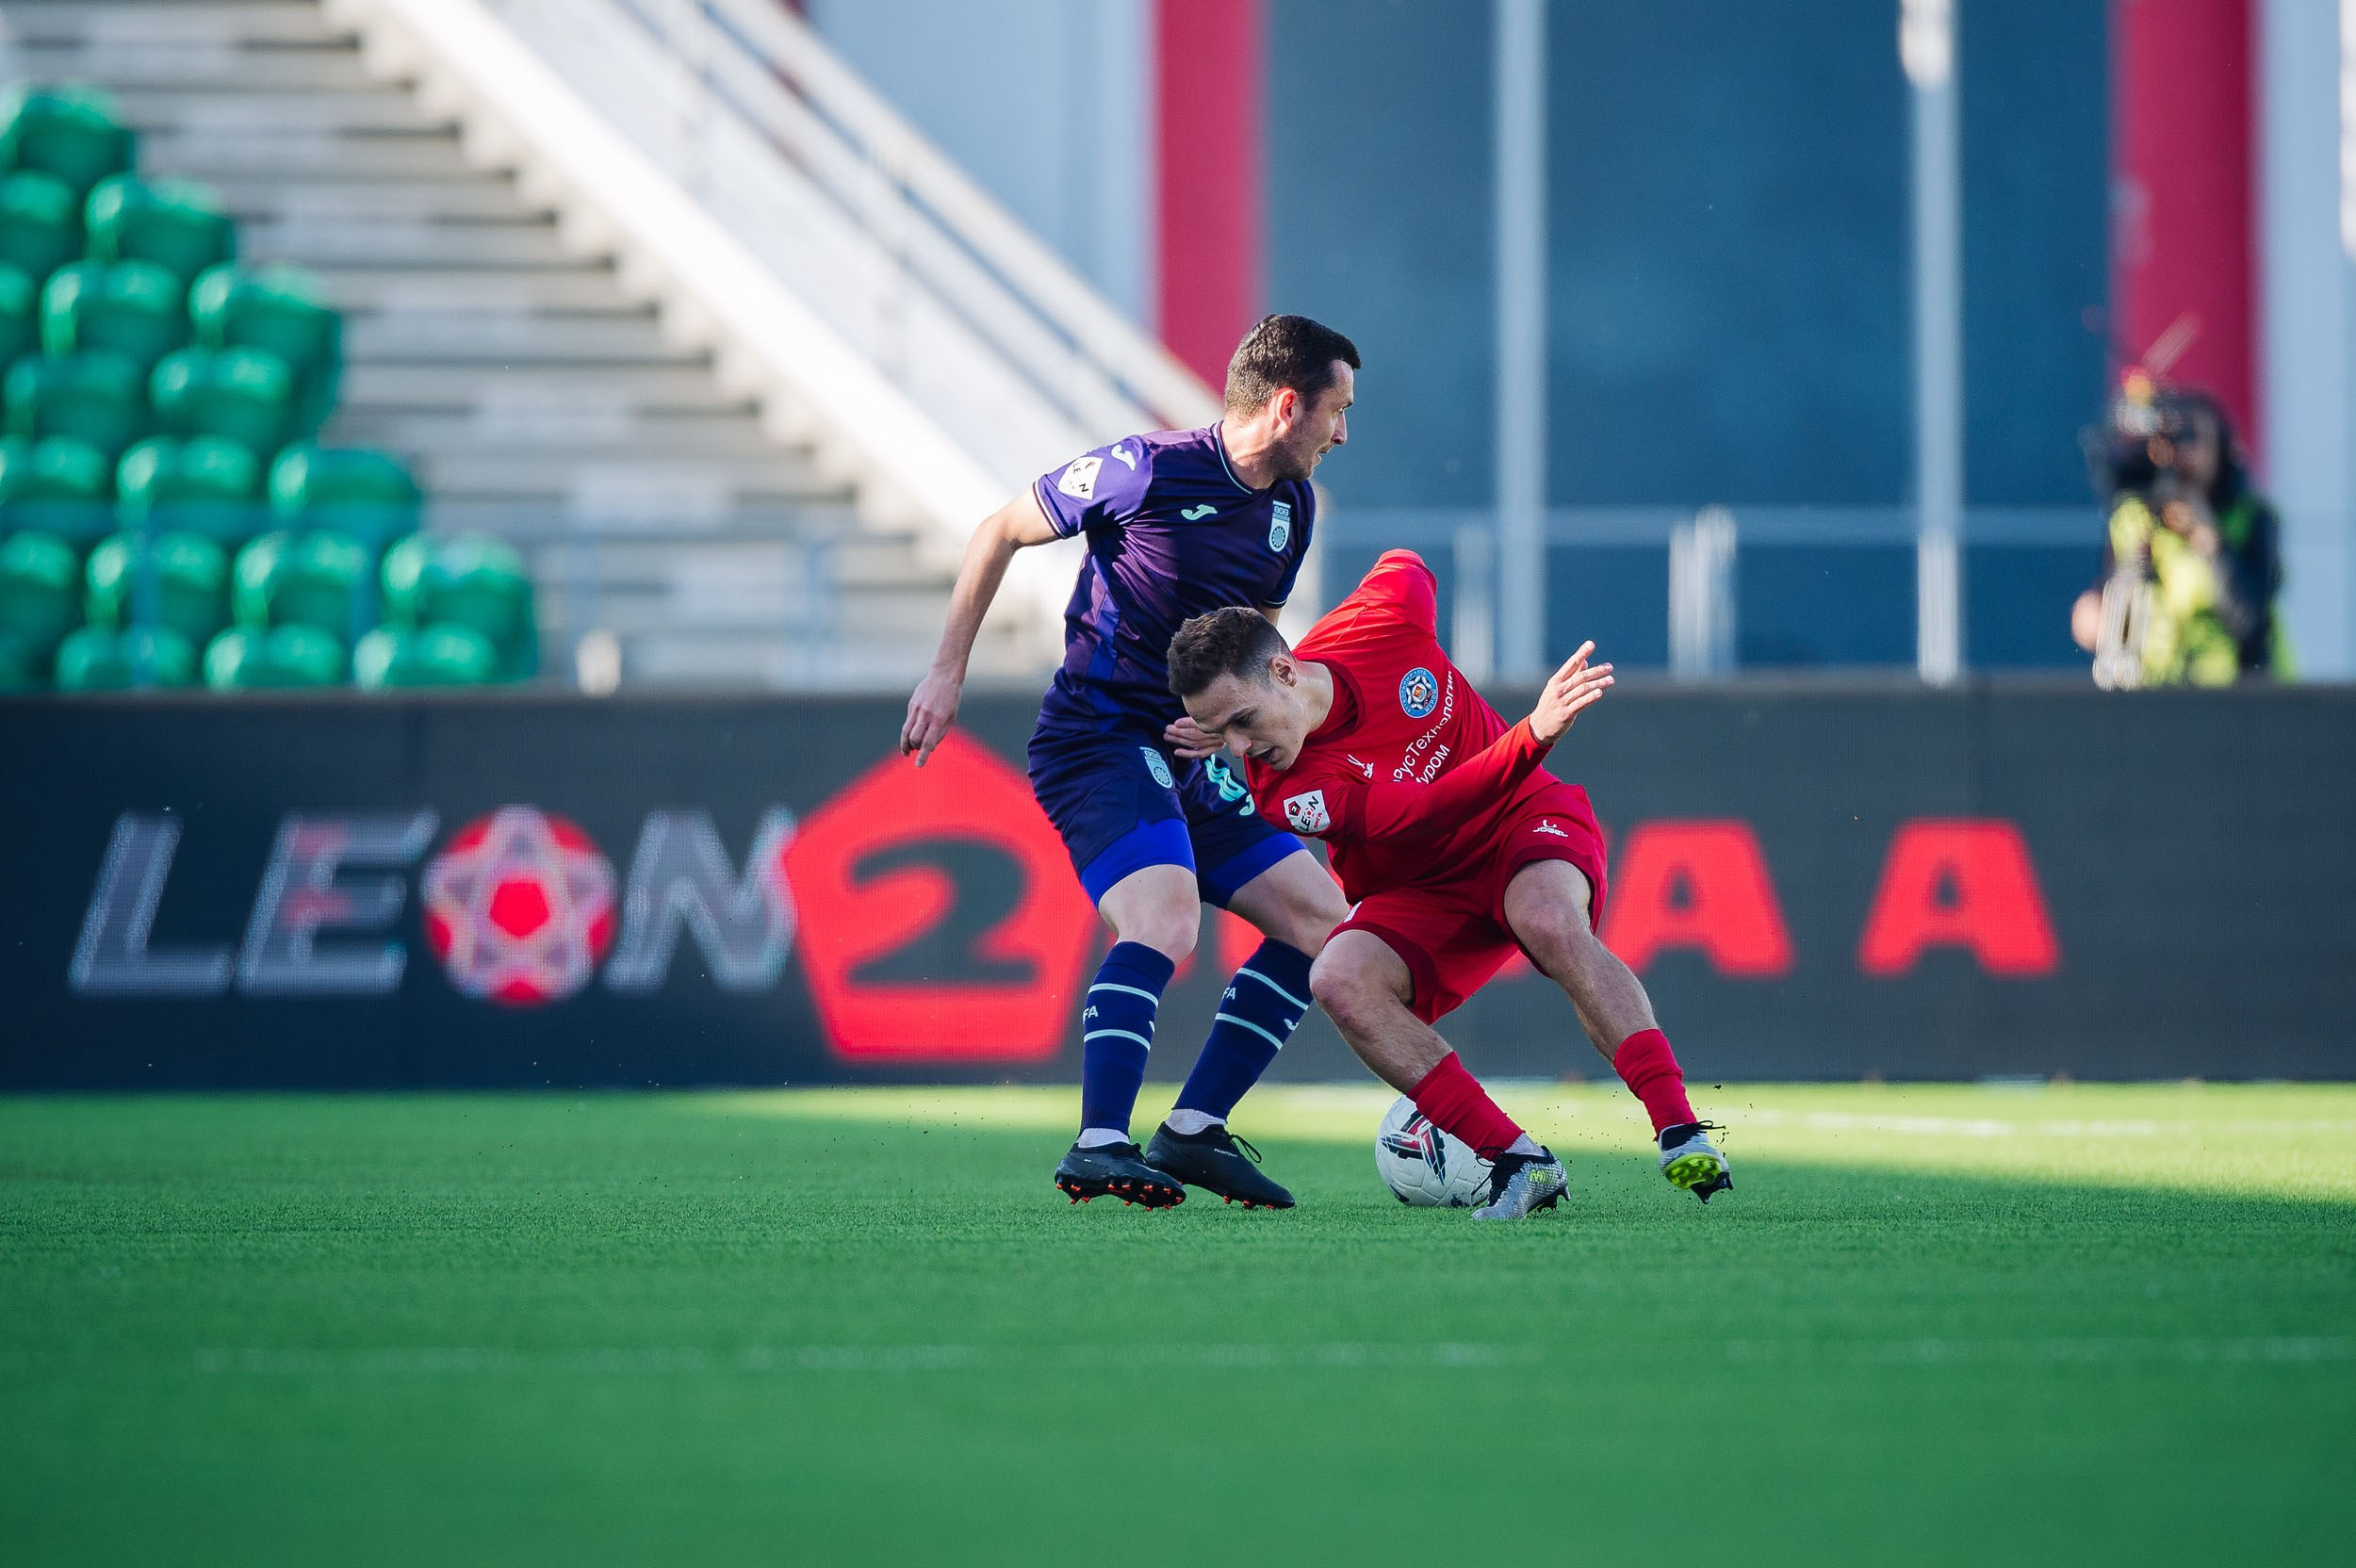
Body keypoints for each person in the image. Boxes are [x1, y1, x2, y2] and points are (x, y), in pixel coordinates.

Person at [900, 315, 1359, 1210]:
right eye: (1337, 412)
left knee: (1327, 926)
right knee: (1166, 917)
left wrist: (1230, 732)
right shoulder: (1143, 469)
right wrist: (946, 669)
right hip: (1098, 737)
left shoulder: (1290, 510)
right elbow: (998, 529)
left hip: (1189, 753)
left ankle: (1191, 1131)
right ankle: (1099, 1143)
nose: (1343, 434)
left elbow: (1249, 651)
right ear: (1288, 404)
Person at [1164, 550, 1732, 1220]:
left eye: (1242, 720)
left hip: (1520, 818)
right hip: (1424, 887)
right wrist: (1534, 733)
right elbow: (1422, 813)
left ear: (1286, 670)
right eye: (1217, 731)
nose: (1236, 747)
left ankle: (1679, 1127)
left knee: (1548, 921)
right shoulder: (1286, 789)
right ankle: (1518, 1160)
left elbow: (1408, 565)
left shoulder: (1380, 620)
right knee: (1337, 977)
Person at [2071, 383, 2283, 687]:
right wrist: (2095, 616)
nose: (2178, 454)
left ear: (2220, 450)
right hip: (2155, 700)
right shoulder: (2134, 520)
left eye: (2191, 438)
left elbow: (2250, 623)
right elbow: (2109, 605)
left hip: (2236, 702)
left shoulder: (2249, 519)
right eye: (2168, 439)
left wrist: (2208, 539)